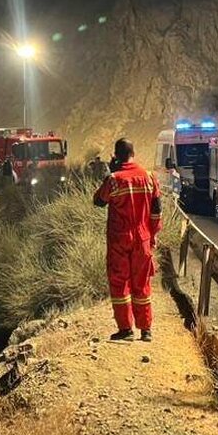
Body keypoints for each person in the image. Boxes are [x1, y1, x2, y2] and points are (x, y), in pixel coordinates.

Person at [92, 138, 161, 342]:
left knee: (120, 283)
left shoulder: (114, 179)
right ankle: (146, 329)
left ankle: (125, 330)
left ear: (116, 156)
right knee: (142, 284)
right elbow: (157, 212)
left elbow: (98, 201)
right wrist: (153, 236)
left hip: (119, 239)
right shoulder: (150, 177)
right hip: (143, 238)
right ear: (134, 153)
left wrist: (111, 172)